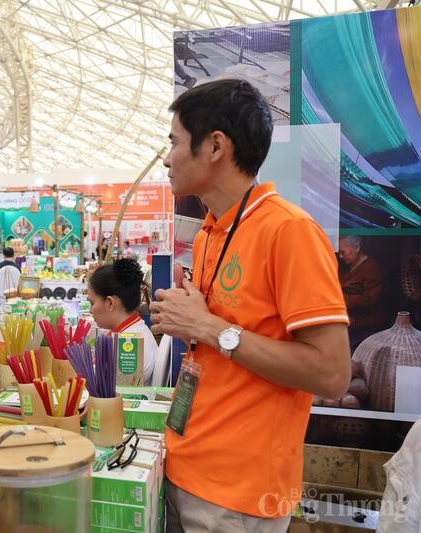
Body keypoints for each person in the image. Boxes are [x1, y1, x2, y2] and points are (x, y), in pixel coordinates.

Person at [149, 79, 351, 531]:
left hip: (238, 494)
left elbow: (333, 374)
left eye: (175, 142)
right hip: (185, 465)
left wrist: (207, 328)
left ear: (215, 146)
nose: (166, 157)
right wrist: (190, 321)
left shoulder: (289, 232)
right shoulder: (208, 234)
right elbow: (220, 338)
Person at [87, 258, 158, 386]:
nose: (90, 310)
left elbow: (111, 395)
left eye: (92, 303)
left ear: (110, 303)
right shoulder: (133, 332)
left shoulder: (128, 348)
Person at [338, 235, 383, 350]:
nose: (341, 256)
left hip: (363, 327)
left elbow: (371, 299)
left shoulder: (371, 267)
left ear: (357, 247)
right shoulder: (346, 267)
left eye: (343, 252)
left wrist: (341, 298)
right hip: (346, 322)